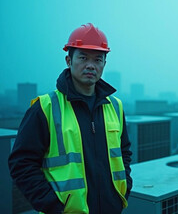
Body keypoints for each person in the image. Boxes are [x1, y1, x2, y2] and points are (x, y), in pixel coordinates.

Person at [8, 23, 132, 213]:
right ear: (68, 60)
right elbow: (22, 163)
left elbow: (124, 152)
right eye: (83, 57)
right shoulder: (45, 107)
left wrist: (124, 189)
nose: (91, 65)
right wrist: (52, 206)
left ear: (104, 64)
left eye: (98, 59)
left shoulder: (115, 106)